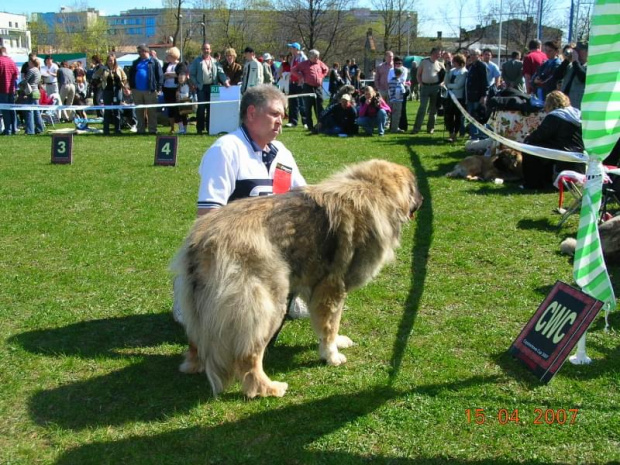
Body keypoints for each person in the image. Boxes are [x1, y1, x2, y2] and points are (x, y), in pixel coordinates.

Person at [173, 84, 308, 333]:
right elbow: (208, 217)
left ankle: (290, 292)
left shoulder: (283, 154)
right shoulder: (225, 150)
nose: (281, 121)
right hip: (238, 246)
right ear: (252, 113)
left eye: (283, 115)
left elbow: (305, 198)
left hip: (275, 243)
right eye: (275, 114)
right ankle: (191, 291)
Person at [522, 90, 584, 190]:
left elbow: (539, 135)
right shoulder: (577, 114)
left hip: (562, 151)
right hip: (578, 152)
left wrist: (529, 137)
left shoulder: (555, 116)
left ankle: (532, 183)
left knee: (529, 147)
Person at [189, 42, 230, 135]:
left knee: (211, 108)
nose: (206, 50)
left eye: (207, 49)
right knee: (201, 108)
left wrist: (225, 81)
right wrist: (196, 84)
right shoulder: (197, 61)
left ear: (210, 50)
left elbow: (221, 73)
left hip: (212, 87)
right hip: (201, 87)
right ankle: (199, 128)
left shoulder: (215, 62)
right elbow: (191, 74)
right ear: (202, 50)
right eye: (204, 49)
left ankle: (209, 128)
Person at [128, 44, 163, 135]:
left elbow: (160, 76)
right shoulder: (135, 62)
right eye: (139, 52)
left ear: (146, 51)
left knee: (151, 112)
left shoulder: (154, 62)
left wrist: (159, 88)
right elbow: (130, 75)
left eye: (141, 51)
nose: (140, 53)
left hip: (150, 90)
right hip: (137, 91)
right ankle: (140, 130)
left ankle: (152, 130)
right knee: (139, 112)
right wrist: (131, 87)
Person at [291, 48, 329, 133]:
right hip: (308, 87)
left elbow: (326, 69)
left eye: (318, 57)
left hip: (318, 88)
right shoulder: (304, 64)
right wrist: (300, 77)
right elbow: (293, 70)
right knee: (308, 107)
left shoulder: (319, 63)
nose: (317, 58)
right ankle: (310, 126)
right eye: (315, 57)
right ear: (310, 57)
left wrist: (322, 76)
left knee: (319, 106)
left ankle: (320, 125)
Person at [412, 47, 445, 134]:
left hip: (435, 88)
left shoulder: (440, 64)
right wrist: (421, 84)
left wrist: (441, 84)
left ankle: (430, 128)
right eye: (438, 53)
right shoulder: (424, 62)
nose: (439, 55)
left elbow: (445, 77)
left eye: (440, 53)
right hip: (425, 87)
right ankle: (416, 128)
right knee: (422, 108)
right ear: (433, 53)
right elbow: (418, 74)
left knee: (433, 109)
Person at [94, 52, 128, 135]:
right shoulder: (103, 69)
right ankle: (106, 130)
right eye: (109, 60)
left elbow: (125, 77)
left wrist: (123, 85)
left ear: (114, 61)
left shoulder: (119, 68)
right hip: (107, 91)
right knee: (107, 110)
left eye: (112, 60)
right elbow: (95, 76)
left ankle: (118, 129)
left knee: (117, 110)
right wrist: (100, 83)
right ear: (107, 61)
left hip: (117, 91)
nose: (110, 62)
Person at [442, 53, 468, 142]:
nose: (453, 63)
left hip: (458, 98)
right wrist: (447, 72)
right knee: (449, 115)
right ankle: (450, 132)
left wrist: (449, 85)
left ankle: (455, 134)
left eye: (455, 62)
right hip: (449, 96)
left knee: (457, 116)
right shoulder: (452, 71)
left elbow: (458, 86)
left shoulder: (464, 72)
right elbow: (445, 82)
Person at [464, 48, 489, 139]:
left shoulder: (481, 66)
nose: (473, 56)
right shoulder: (471, 66)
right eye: (471, 54)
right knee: (471, 117)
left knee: (478, 117)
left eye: (475, 54)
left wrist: (483, 95)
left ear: (479, 56)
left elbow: (484, 82)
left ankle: (482, 135)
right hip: (470, 96)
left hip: (478, 96)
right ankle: (473, 135)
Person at [162, 46, 186, 133]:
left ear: (173, 56)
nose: (167, 57)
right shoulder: (166, 65)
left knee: (178, 109)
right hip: (167, 90)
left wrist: (170, 74)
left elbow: (181, 74)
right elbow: (163, 74)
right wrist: (172, 74)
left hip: (177, 90)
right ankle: (172, 128)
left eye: (168, 55)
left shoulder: (180, 65)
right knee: (170, 109)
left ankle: (182, 127)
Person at [285, 42, 307, 128]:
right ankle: (293, 121)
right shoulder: (293, 58)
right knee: (292, 102)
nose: (290, 50)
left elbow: (305, 70)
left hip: (300, 83)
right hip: (293, 82)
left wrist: (301, 79)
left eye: (292, 48)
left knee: (302, 102)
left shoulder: (303, 58)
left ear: (296, 49)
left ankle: (305, 121)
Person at [561, 41, 588, 110]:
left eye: (579, 50)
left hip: (576, 105)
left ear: (587, 52)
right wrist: (567, 60)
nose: (576, 52)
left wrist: (575, 61)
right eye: (576, 50)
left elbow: (582, 78)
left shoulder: (590, 67)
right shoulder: (571, 65)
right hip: (564, 102)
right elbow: (556, 76)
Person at [22, 57, 45, 135]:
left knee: (29, 111)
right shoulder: (38, 70)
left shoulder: (31, 70)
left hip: (31, 91)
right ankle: (40, 128)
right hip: (36, 91)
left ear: (32, 62)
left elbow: (25, 81)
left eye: (29, 61)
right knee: (36, 111)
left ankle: (30, 130)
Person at [0, 47, 19, 135]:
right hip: (11, 89)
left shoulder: (0, 61)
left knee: (5, 110)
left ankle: (8, 129)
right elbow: (17, 75)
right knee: (12, 109)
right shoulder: (12, 61)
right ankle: (14, 128)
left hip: (2, 88)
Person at [388, 67, 406, 133]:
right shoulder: (398, 82)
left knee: (394, 114)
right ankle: (394, 129)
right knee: (396, 115)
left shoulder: (391, 81)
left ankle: (395, 127)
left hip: (392, 99)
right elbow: (399, 91)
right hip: (397, 100)